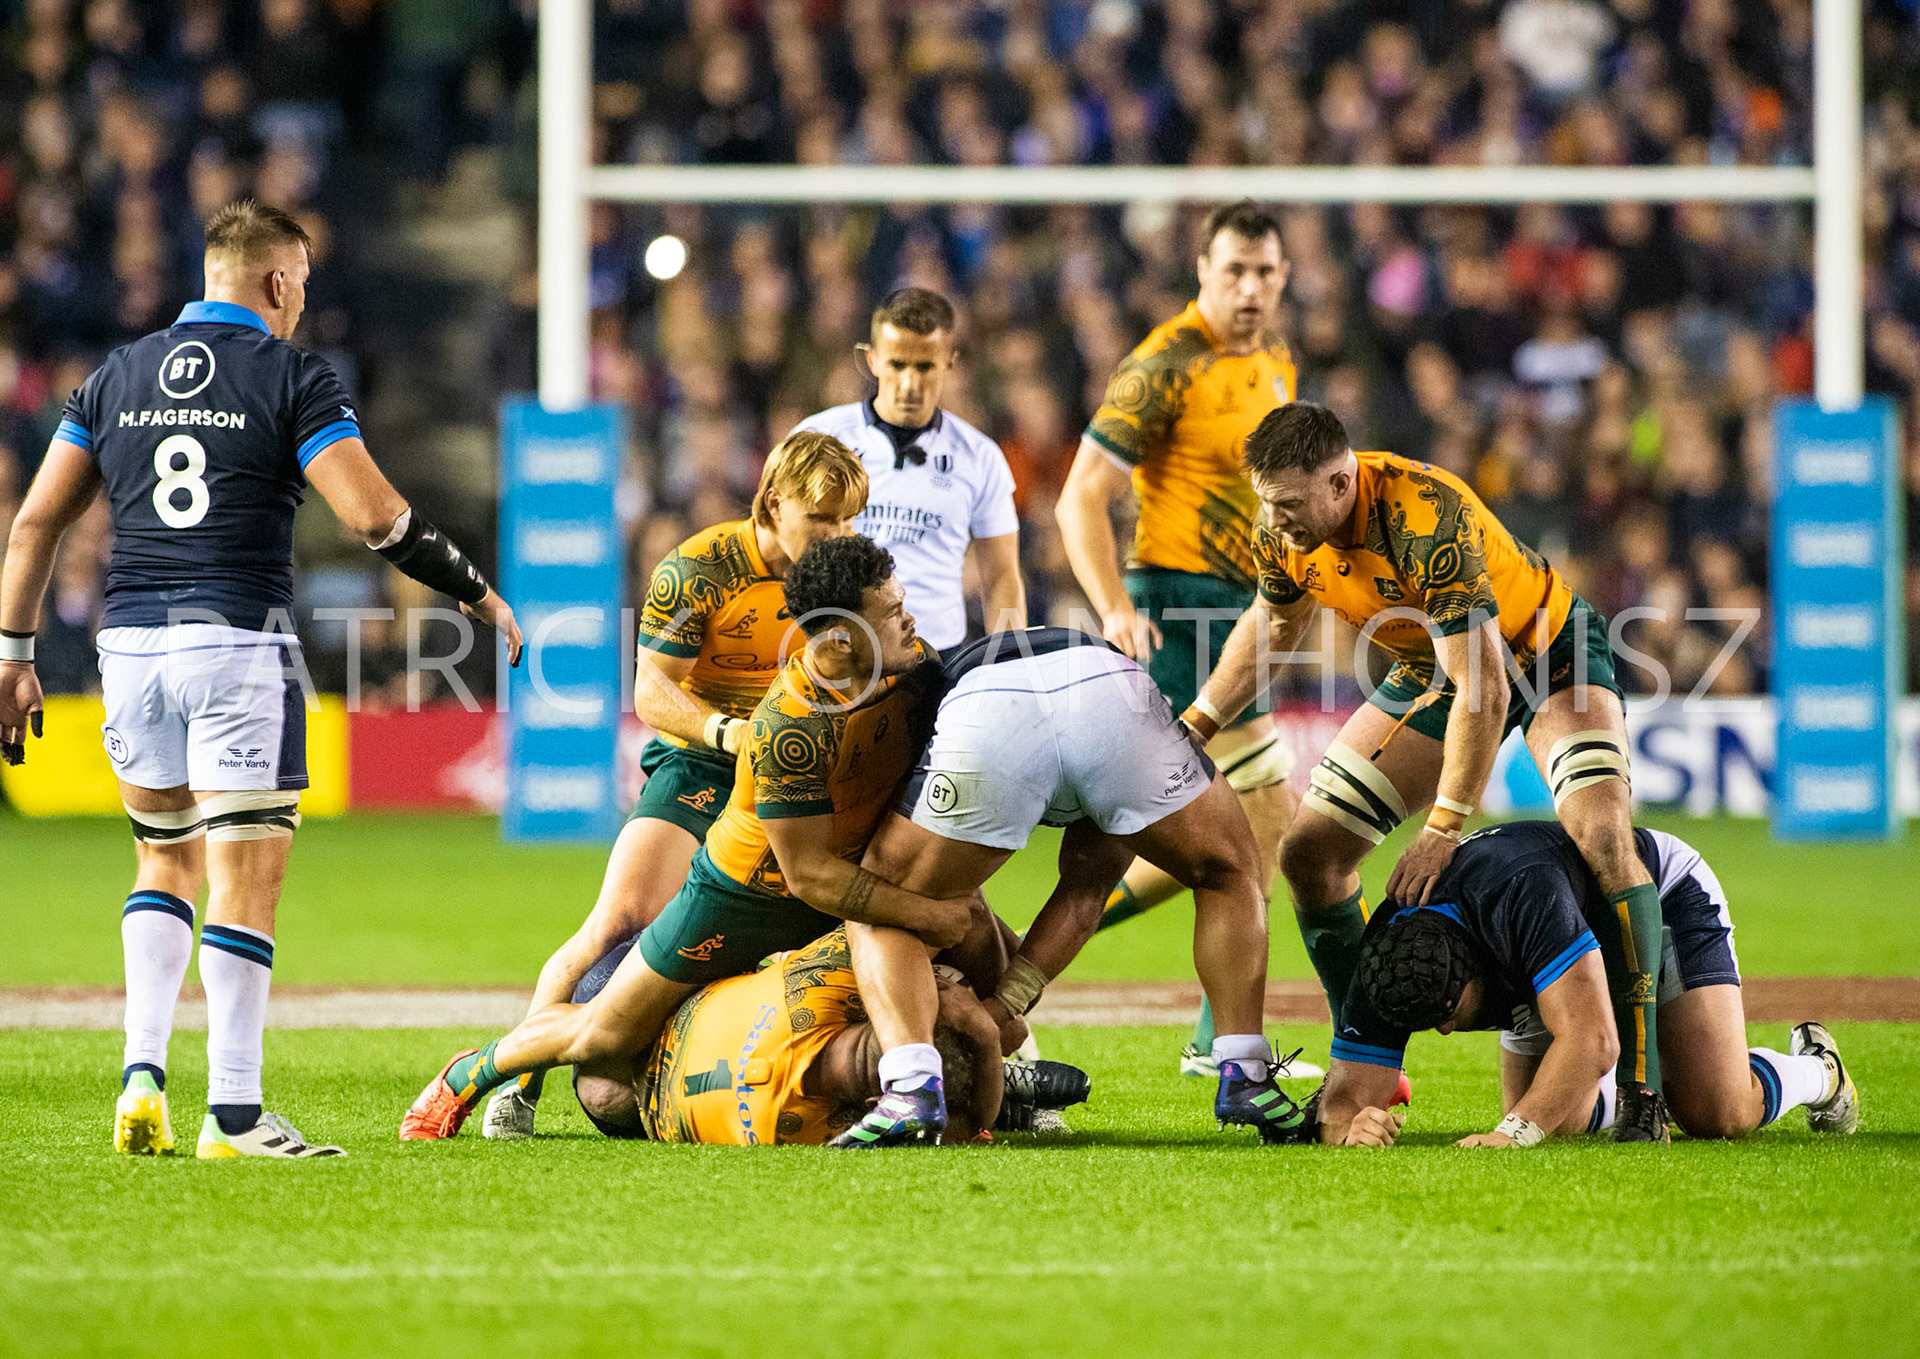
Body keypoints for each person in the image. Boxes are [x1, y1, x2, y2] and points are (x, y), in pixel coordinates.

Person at [0, 200, 521, 1160]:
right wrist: (474, 589)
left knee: (164, 858)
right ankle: (234, 1115)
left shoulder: (113, 375)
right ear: (279, 282)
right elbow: (374, 516)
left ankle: (141, 1071)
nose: (301, 303)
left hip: (131, 648)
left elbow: (35, 525)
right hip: (237, 642)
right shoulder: (291, 375)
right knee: (246, 876)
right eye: (303, 286)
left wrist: (15, 654)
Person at [1182, 400, 1672, 1142]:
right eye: (1267, 504)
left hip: (1548, 652)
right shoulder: (1278, 522)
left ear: (1340, 483)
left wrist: (1444, 824)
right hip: (1437, 665)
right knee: (1309, 853)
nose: (1275, 520)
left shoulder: (1424, 518)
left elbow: (1490, 687)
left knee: (1603, 834)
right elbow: (1274, 626)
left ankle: (1643, 1088)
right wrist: (1196, 725)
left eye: (1287, 504)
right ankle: (1369, 1054)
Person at [401, 535, 974, 1146]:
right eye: (891, 611)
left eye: (901, 602)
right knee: (605, 1033)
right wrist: (926, 912)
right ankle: (470, 1073)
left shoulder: (913, 670)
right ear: (838, 639)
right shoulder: (790, 728)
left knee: (973, 938)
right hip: (741, 898)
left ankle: (984, 1091)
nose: (909, 618)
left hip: (834, 885)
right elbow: (808, 876)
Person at [479, 430, 868, 1140]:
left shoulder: (846, 579)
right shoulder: (701, 570)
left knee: (857, 914)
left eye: (848, 521)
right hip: (705, 763)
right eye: (823, 521)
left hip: (799, 771)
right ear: (775, 502)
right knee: (618, 921)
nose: (838, 536)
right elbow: (652, 688)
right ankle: (516, 1081)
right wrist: (725, 732)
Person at [856, 625, 1309, 1145]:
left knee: (885, 902)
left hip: (988, 703)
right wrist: (998, 1014)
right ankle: (1244, 1072)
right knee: (1227, 873)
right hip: (1106, 691)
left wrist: (989, 1015)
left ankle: (911, 1086)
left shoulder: (923, 693)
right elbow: (1083, 898)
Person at [1054, 199, 1300, 1075]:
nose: (1250, 287)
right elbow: (1081, 494)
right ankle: (1219, 1039)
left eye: (1265, 271)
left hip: (1244, 608)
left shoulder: (1275, 361)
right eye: (1233, 270)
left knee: (1230, 829)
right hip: (1178, 607)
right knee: (1263, 815)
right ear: (1202, 271)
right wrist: (1115, 604)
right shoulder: (1160, 363)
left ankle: (1036, 949)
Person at [1304, 821, 1858, 1149]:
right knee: (1558, 1115)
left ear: (1480, 967)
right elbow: (1345, 1100)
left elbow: (1594, 1041)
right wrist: (1352, 1130)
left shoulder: (1521, 895)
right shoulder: (1389, 955)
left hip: (1654, 904)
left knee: (1718, 1113)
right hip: (1549, 951)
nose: (1445, 1031)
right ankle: (1619, 1092)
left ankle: (1817, 1070)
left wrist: (1512, 1135)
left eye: (1449, 1014)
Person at [565, 928, 1088, 1146]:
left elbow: (970, 1123)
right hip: (638, 1113)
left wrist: (982, 1024)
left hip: (615, 1020)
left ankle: (512, 1083)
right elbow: (969, 1126)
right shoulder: (814, 1129)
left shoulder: (819, 986)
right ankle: (991, 1080)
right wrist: (997, 1011)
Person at [793, 287, 1026, 656]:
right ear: (871, 360)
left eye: (924, 366)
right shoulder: (819, 440)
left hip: (939, 658)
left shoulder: (981, 457)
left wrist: (1011, 664)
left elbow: (1000, 577)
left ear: (950, 362)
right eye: (897, 364)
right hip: (840, 654)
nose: (909, 383)